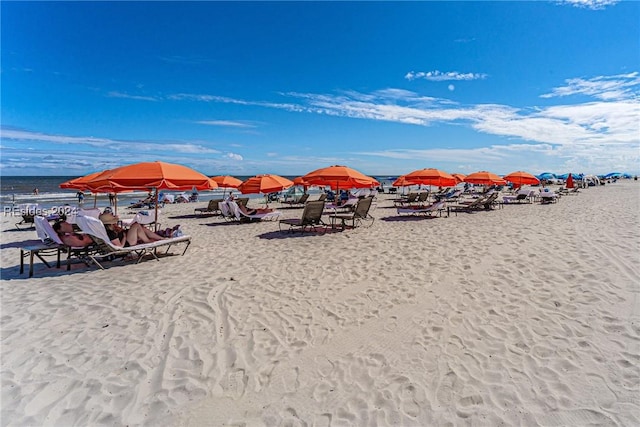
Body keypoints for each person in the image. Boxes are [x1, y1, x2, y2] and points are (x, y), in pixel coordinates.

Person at [99, 212, 166, 247]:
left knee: (141, 227)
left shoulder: (112, 229)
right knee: (136, 225)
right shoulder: (110, 233)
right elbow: (120, 246)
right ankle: (147, 241)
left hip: (127, 237)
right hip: (127, 243)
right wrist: (124, 237)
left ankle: (161, 238)